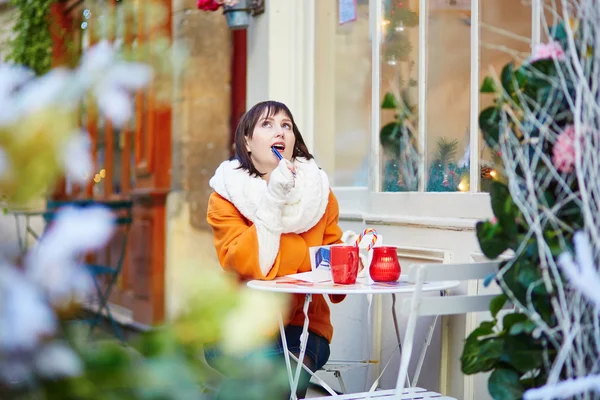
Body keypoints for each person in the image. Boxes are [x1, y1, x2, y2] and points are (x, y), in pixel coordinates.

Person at [206, 100, 346, 398]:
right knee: (267, 380)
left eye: (286, 125)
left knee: (285, 378)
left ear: (294, 139)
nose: (279, 132)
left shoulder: (320, 195)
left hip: (305, 326)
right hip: (242, 326)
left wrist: (355, 256)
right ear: (247, 140)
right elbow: (246, 264)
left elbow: (333, 274)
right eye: (266, 125)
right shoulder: (225, 197)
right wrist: (273, 198)